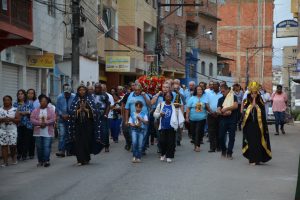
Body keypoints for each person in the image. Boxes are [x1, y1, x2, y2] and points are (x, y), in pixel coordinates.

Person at [67, 85, 103, 166]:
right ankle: (80, 160)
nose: (82, 91)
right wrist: (78, 111)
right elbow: (71, 113)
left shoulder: (90, 99)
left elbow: (96, 112)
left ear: (86, 91)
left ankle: (86, 158)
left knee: (87, 141)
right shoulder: (75, 100)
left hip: (88, 125)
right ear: (78, 91)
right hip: (78, 125)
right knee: (78, 142)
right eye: (80, 90)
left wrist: (87, 110)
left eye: (83, 90)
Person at [242, 82, 272, 165]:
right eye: (252, 93)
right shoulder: (246, 100)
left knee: (258, 142)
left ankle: (258, 159)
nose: (254, 94)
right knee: (251, 142)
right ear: (250, 92)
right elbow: (245, 111)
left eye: (255, 93)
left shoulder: (260, 99)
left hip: (259, 125)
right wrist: (250, 106)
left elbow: (262, 111)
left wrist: (255, 104)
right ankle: (252, 159)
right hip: (249, 124)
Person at [154, 92, 184, 163]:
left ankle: (169, 156)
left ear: (171, 97)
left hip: (172, 127)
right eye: (166, 96)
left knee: (171, 142)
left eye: (169, 96)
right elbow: (155, 114)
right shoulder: (161, 104)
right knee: (162, 141)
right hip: (163, 127)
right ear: (164, 97)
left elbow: (178, 115)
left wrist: (180, 125)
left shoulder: (174, 105)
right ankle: (163, 154)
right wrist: (159, 114)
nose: (168, 97)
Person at [30, 95, 56, 167]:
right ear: (39, 102)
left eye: (45, 101)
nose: (43, 102)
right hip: (38, 132)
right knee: (39, 147)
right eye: (42, 101)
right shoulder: (35, 110)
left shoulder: (51, 110)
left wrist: (46, 123)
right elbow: (32, 119)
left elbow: (53, 119)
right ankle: (40, 160)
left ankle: (46, 160)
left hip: (48, 131)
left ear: (47, 102)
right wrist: (39, 123)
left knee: (46, 146)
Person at [125, 84, 151, 154]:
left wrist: (144, 96)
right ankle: (136, 148)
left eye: (138, 90)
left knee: (144, 135)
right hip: (133, 118)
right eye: (135, 90)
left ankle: (141, 149)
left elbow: (149, 105)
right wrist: (126, 120)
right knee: (133, 134)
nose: (137, 91)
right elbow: (127, 108)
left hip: (143, 118)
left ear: (141, 90)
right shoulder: (130, 96)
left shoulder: (145, 95)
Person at [186, 86, 211, 152]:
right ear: (196, 91)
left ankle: (197, 146)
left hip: (202, 118)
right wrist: (187, 117)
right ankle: (195, 144)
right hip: (192, 118)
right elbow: (188, 108)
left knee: (199, 131)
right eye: (198, 89)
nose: (200, 90)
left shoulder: (205, 98)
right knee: (193, 132)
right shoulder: (192, 98)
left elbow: (207, 107)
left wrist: (212, 112)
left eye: (201, 89)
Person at [217, 84, 238, 159]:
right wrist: (221, 112)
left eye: (223, 91)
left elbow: (235, 106)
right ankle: (223, 150)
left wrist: (226, 109)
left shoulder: (233, 97)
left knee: (232, 137)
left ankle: (229, 153)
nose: (222, 93)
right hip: (223, 120)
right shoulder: (220, 99)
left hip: (232, 120)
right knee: (221, 137)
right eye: (221, 92)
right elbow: (218, 109)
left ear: (227, 90)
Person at [55, 84, 75, 157]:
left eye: (68, 93)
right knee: (62, 134)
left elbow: (75, 107)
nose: (66, 94)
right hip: (62, 119)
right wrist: (62, 115)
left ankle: (69, 150)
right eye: (65, 93)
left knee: (70, 134)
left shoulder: (74, 96)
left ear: (70, 92)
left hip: (71, 118)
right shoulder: (60, 97)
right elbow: (57, 108)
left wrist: (69, 115)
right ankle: (61, 150)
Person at [14, 89, 34, 160]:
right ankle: (19, 153)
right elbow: (14, 112)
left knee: (26, 140)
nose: (20, 95)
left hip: (28, 124)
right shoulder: (15, 103)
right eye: (18, 94)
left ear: (24, 95)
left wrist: (25, 112)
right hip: (19, 124)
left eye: (21, 94)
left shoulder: (29, 103)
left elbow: (33, 111)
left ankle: (24, 154)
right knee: (19, 140)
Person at [0, 96, 20, 167]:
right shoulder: (0, 109)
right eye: (5, 100)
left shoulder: (15, 109)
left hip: (12, 130)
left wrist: (11, 119)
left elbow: (18, 120)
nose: (6, 101)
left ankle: (13, 157)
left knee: (12, 145)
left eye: (8, 100)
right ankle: (5, 162)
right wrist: (2, 119)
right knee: (4, 146)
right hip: (2, 130)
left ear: (11, 101)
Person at [93, 83, 111, 152]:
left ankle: (106, 145)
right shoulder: (92, 95)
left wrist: (106, 114)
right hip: (94, 116)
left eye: (99, 88)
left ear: (101, 88)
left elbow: (108, 105)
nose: (97, 89)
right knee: (95, 131)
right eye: (96, 87)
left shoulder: (104, 95)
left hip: (103, 115)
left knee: (105, 131)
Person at [207, 81, 223, 152]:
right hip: (211, 115)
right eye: (213, 85)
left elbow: (224, 104)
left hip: (220, 115)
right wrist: (211, 112)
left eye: (216, 85)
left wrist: (218, 112)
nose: (214, 86)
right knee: (211, 132)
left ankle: (219, 146)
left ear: (219, 86)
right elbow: (206, 104)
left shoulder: (222, 94)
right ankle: (212, 147)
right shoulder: (208, 93)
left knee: (219, 131)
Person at [121, 82, 135, 151]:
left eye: (134, 85)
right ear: (130, 87)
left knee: (132, 131)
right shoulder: (127, 95)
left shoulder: (140, 95)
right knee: (125, 131)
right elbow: (123, 105)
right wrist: (123, 116)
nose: (134, 86)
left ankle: (133, 144)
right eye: (132, 85)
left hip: (135, 116)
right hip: (127, 115)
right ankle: (128, 142)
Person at [102, 84, 115, 152]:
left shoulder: (109, 96)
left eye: (104, 89)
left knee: (106, 131)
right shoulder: (97, 95)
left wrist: (106, 110)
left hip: (108, 116)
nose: (103, 90)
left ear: (106, 89)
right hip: (99, 116)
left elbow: (112, 106)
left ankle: (106, 145)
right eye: (102, 88)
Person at [27, 89, 37, 159]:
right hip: (25, 122)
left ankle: (31, 153)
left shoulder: (37, 102)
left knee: (32, 138)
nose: (30, 95)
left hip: (34, 122)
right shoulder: (24, 102)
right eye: (29, 93)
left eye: (32, 93)